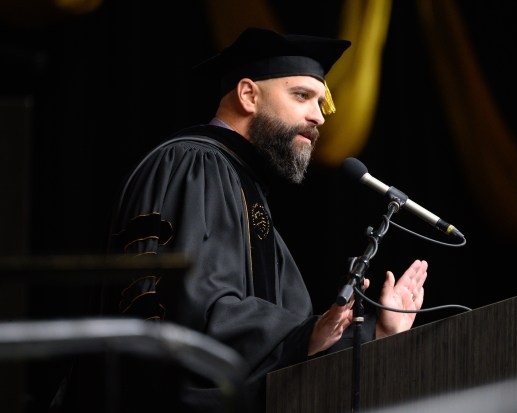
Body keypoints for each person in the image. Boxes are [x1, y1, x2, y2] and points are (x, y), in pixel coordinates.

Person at [102, 27, 428, 413]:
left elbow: (287, 340)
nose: (318, 116)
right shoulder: (194, 164)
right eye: (302, 96)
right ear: (248, 95)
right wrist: (304, 333)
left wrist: (374, 331)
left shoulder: (242, 184)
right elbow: (197, 307)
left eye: (321, 103)